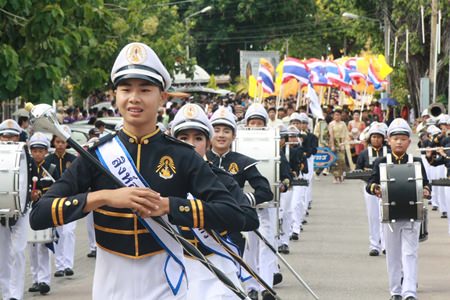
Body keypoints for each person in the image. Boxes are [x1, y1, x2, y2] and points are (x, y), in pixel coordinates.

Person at [30, 42, 246, 299]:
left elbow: (235, 214)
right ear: (115, 96)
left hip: (166, 278)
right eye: (125, 89)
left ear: (162, 97)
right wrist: (104, 197)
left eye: (145, 89)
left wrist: (169, 206)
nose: (134, 97)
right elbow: (40, 214)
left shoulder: (182, 155)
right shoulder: (96, 154)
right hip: (110, 280)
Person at [171, 103, 259, 300]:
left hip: (215, 268)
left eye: (198, 138)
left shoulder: (222, 179)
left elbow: (250, 219)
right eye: (183, 138)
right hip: (173, 266)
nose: (191, 144)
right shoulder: (163, 178)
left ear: (208, 144)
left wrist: (215, 218)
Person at [207, 104, 275, 300]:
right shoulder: (197, 158)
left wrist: (241, 201)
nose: (221, 135)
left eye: (226, 131)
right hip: (203, 224)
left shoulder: (243, 161)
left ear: (234, 136)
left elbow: (265, 191)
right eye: (216, 130)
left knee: (230, 276)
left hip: (231, 228)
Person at [367, 118, 431, 300]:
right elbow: (370, 183)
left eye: (403, 138)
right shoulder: (381, 161)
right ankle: (396, 291)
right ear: (389, 140)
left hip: (412, 216)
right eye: (396, 138)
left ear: (409, 142)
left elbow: (425, 184)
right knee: (393, 255)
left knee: (410, 254)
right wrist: (375, 188)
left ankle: (409, 292)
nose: (399, 142)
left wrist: (426, 190)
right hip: (390, 215)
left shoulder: (416, 161)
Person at [0, 119, 28, 300]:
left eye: (13, 136)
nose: (9, 139)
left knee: (18, 252)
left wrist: (33, 194)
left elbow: (33, 180)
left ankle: (16, 295)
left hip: (22, 211)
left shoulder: (27, 155)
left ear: (19, 136)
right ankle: (5, 292)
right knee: (2, 255)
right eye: (5, 136)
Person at [27, 132, 58, 295]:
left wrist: (42, 195)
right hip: (30, 210)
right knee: (32, 246)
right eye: (34, 151)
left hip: (45, 210)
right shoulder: (27, 166)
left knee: (43, 246)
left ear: (46, 151)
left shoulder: (51, 167)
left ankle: (44, 280)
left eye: (40, 150)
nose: (37, 154)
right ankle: (35, 279)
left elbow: (58, 187)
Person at [47, 126, 78, 277]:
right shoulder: (48, 160)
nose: (60, 145)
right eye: (57, 142)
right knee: (57, 233)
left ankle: (68, 264)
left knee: (69, 232)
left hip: (71, 200)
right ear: (53, 142)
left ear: (67, 143)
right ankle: (59, 265)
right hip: (54, 201)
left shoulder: (74, 160)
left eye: (63, 142)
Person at [356, 122, 388, 256]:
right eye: (374, 137)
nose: (376, 139)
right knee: (373, 216)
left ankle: (386, 244)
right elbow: (358, 169)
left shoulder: (389, 152)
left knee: (385, 216)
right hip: (370, 188)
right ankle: (374, 245)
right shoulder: (364, 153)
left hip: (387, 187)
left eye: (379, 137)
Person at [329, 107, 350, 183]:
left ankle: (340, 175)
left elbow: (345, 134)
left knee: (341, 160)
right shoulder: (331, 124)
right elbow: (331, 135)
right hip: (334, 141)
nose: (337, 116)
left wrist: (343, 144)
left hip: (341, 142)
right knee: (334, 160)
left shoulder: (343, 124)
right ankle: (335, 176)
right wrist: (332, 145)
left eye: (338, 115)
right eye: (335, 115)